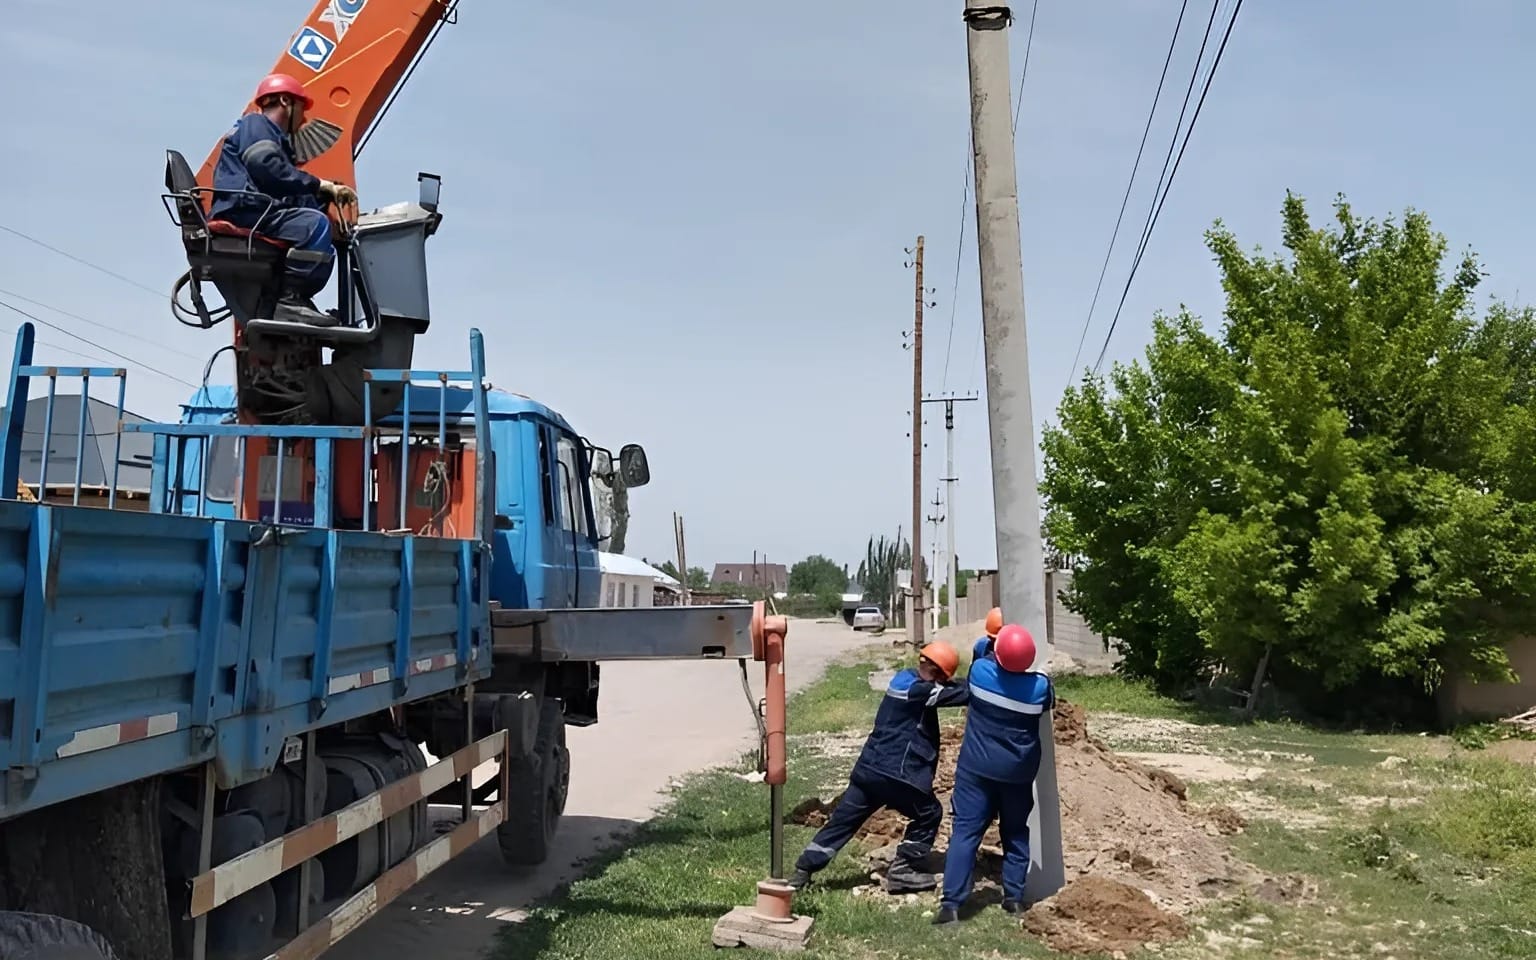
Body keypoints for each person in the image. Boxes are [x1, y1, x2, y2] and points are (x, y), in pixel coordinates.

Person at [787, 642, 968, 894]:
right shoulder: (920, 691)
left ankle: (802, 872)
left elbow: (946, 687)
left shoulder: (904, 678)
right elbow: (962, 694)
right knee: (930, 813)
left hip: (869, 769)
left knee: (842, 822)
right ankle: (903, 870)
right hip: (896, 774)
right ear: (937, 672)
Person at [209, 73, 357, 315]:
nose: (304, 118)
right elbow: (266, 167)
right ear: (286, 101)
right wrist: (320, 185)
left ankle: (287, 301)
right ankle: (291, 301)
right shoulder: (257, 125)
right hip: (247, 211)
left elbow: (282, 187)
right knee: (315, 226)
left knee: (314, 221)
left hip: (253, 209)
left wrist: (322, 197)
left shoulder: (267, 136)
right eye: (301, 109)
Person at [934, 622, 1053, 925]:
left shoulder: (980, 674)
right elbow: (1045, 691)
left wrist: (993, 638)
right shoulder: (1040, 689)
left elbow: (981, 651)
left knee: (965, 832)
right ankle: (1013, 899)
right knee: (1015, 832)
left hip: (977, 771)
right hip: (1018, 775)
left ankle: (951, 906)